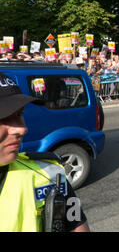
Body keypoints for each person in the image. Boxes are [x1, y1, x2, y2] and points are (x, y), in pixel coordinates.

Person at [0, 71, 89, 232]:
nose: (22, 128)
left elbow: (77, 224)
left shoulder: (51, 173)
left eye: (20, 114)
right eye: (3, 118)